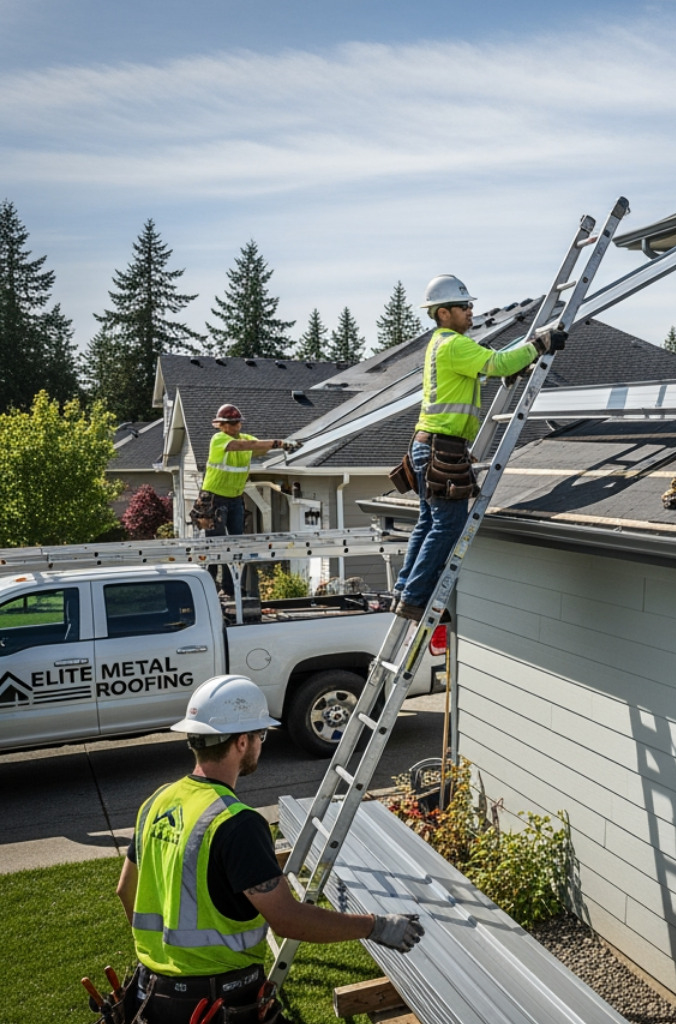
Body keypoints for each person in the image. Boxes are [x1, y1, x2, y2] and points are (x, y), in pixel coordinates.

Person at [115, 675, 423, 1023]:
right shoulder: (236, 823)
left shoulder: (157, 802)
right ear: (242, 742)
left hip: (151, 996)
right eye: (261, 735)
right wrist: (375, 926)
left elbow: (126, 890)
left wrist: (164, 956)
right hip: (214, 1004)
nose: (261, 744)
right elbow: (289, 920)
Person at [393, 275, 564, 621]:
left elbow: (488, 369)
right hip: (440, 448)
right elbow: (498, 363)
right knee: (447, 526)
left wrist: (512, 364)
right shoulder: (454, 345)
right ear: (443, 313)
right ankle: (414, 598)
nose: (471, 311)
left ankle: (405, 589)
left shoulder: (441, 345)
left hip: (429, 445)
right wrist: (539, 345)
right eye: (464, 306)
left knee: (428, 522)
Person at [197, 405, 298, 595]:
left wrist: (284, 446)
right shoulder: (219, 439)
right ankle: (209, 587)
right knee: (216, 545)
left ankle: (232, 589)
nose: (236, 426)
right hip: (213, 499)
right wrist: (279, 443)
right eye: (232, 423)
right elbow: (242, 446)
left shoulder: (246, 439)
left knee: (237, 544)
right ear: (221, 425)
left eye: (238, 422)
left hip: (235, 498)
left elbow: (258, 447)